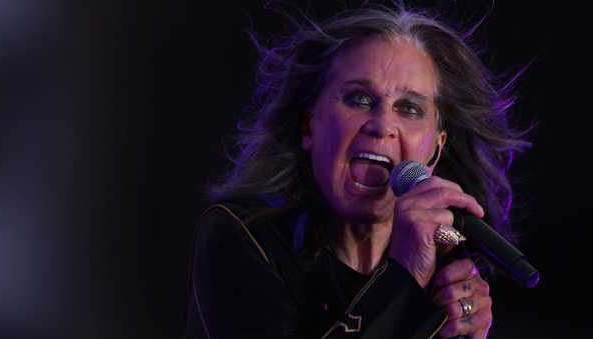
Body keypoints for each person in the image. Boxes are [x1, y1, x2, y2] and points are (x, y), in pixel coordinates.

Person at [184, 5, 530, 339]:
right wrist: (403, 278)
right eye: (359, 99)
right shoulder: (242, 236)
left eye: (409, 108)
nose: (382, 125)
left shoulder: (444, 269)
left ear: (435, 150)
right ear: (309, 127)